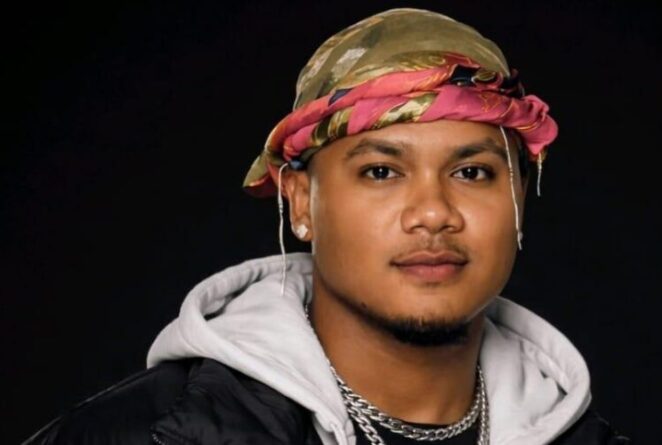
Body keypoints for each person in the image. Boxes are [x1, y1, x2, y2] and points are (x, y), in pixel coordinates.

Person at [24, 8, 629, 445]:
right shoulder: (148, 434)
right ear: (301, 203)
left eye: (472, 172)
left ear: (519, 197)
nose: (433, 212)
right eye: (381, 172)